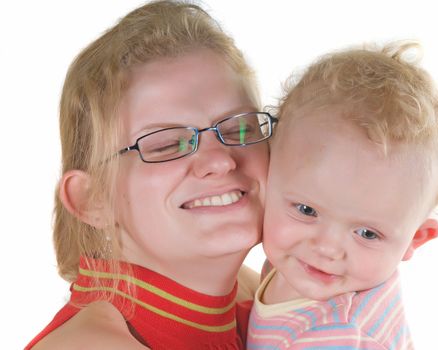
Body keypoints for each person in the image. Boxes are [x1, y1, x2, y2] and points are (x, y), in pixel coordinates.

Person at [25, 1, 274, 349]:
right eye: (167, 144)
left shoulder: (264, 294)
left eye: (240, 129)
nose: (220, 160)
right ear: (92, 199)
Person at [247, 41, 438, 349]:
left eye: (367, 233)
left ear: (415, 238)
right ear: (268, 174)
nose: (327, 248)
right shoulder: (294, 268)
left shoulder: (335, 335)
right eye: (307, 210)